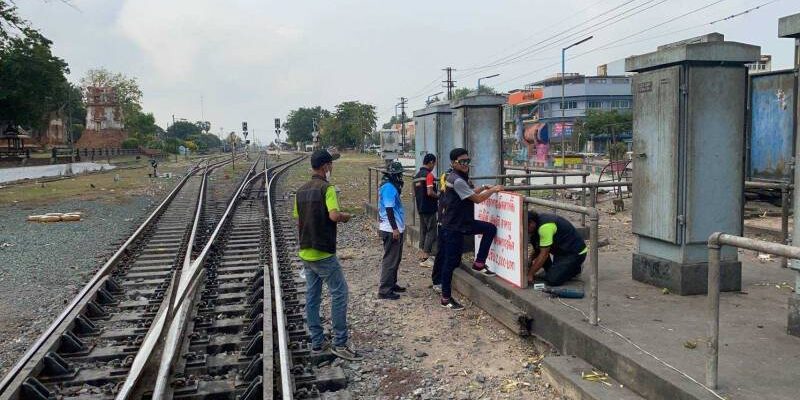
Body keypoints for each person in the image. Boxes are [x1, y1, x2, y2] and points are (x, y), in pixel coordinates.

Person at [293, 149, 362, 361]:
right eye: (331, 164)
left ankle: (317, 342)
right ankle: (340, 343)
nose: (332, 168)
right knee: (340, 293)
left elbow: (298, 218)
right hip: (323, 252)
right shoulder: (327, 188)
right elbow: (333, 215)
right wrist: (345, 216)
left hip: (306, 251)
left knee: (312, 296)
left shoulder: (300, 191)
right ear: (325, 167)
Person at [437, 148, 504, 310]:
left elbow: (468, 193)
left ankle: (479, 263)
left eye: (468, 161)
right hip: (454, 227)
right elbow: (477, 200)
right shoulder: (457, 180)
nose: (466, 164)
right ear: (453, 163)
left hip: (462, 223)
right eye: (462, 162)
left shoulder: (456, 177)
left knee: (489, 229)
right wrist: (493, 190)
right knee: (451, 263)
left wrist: (483, 187)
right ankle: (445, 298)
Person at [526, 210, 587, 286]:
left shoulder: (545, 227)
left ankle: (575, 269)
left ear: (532, 223)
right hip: (561, 251)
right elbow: (538, 247)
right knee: (535, 239)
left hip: (575, 252)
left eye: (526, 227)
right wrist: (530, 259)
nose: (525, 231)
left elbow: (544, 255)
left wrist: (530, 274)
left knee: (553, 280)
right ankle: (555, 270)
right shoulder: (536, 222)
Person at [377, 161, 407, 300]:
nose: (400, 177)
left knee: (396, 258)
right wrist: (395, 229)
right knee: (390, 260)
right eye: (398, 174)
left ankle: (392, 283)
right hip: (391, 229)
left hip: (394, 228)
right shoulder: (389, 187)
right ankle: (384, 290)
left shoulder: (389, 186)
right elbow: (389, 209)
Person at [414, 154, 439, 268]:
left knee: (423, 230)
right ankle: (426, 256)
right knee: (431, 231)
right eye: (434, 164)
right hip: (429, 207)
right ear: (431, 162)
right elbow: (430, 192)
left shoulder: (417, 176)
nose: (434, 166)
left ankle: (422, 254)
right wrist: (439, 196)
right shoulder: (429, 175)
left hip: (420, 207)